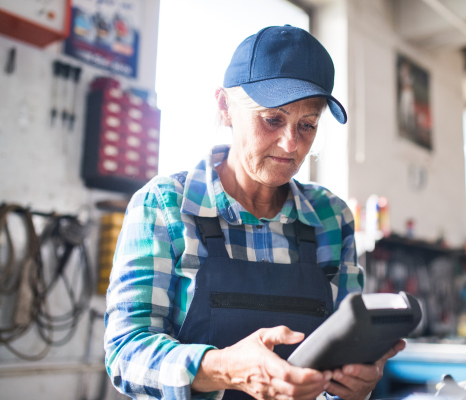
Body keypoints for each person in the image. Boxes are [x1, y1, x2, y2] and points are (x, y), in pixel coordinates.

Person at [104, 25, 406, 400]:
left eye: (308, 125)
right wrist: (225, 369)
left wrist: (356, 380)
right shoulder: (164, 207)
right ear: (224, 107)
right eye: (272, 119)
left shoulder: (332, 218)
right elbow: (124, 352)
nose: (291, 143)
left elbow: (344, 346)